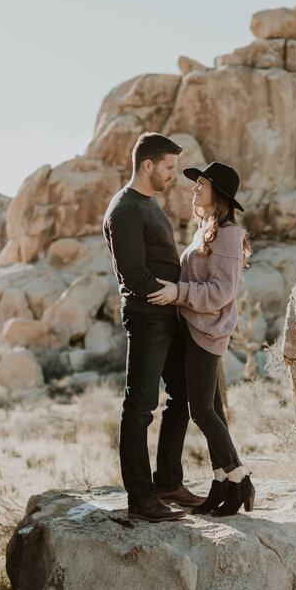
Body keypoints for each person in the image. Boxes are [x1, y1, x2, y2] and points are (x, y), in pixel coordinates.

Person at [103, 132, 206, 522]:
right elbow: (133, 275)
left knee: (183, 395)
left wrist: (179, 297)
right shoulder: (126, 209)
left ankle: (168, 482)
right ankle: (142, 499)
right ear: (147, 165)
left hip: (168, 316)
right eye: (168, 168)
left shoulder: (148, 204)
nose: (173, 176)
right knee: (140, 407)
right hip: (147, 319)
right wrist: (176, 295)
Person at [149, 161, 254, 516]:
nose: (193, 188)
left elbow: (222, 290)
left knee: (203, 412)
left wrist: (177, 293)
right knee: (215, 413)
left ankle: (240, 479)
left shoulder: (228, 234)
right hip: (192, 328)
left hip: (207, 332)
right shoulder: (207, 229)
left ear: (218, 194)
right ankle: (220, 484)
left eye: (201, 184)